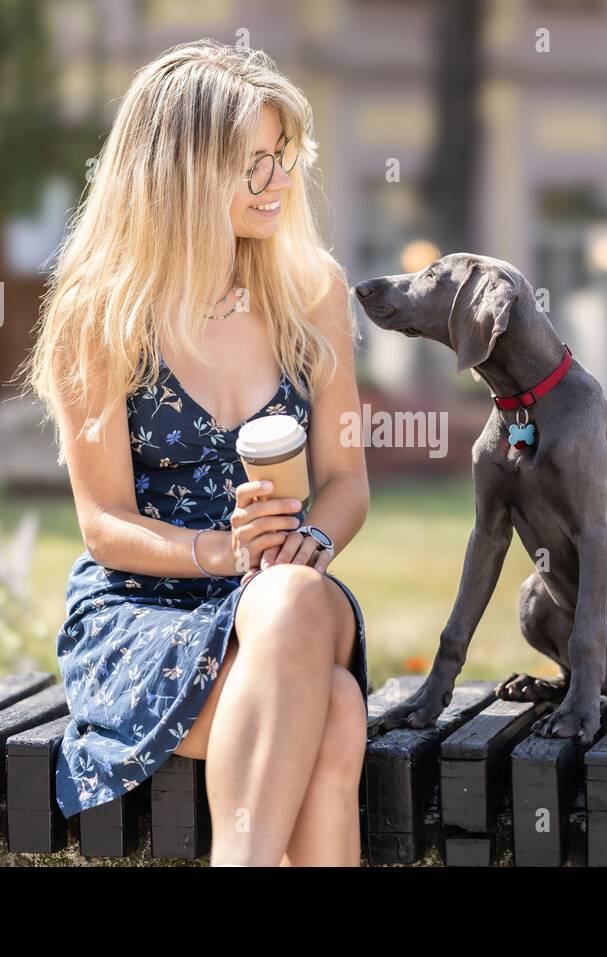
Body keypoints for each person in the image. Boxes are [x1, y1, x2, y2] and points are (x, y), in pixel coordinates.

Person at [18, 39, 370, 866]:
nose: (280, 180)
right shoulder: (99, 316)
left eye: (284, 157)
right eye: (255, 162)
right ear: (182, 170)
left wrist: (308, 541)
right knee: (338, 713)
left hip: (290, 600)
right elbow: (104, 524)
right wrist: (225, 551)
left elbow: (348, 481)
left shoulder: (312, 290)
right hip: (143, 609)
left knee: (288, 599)